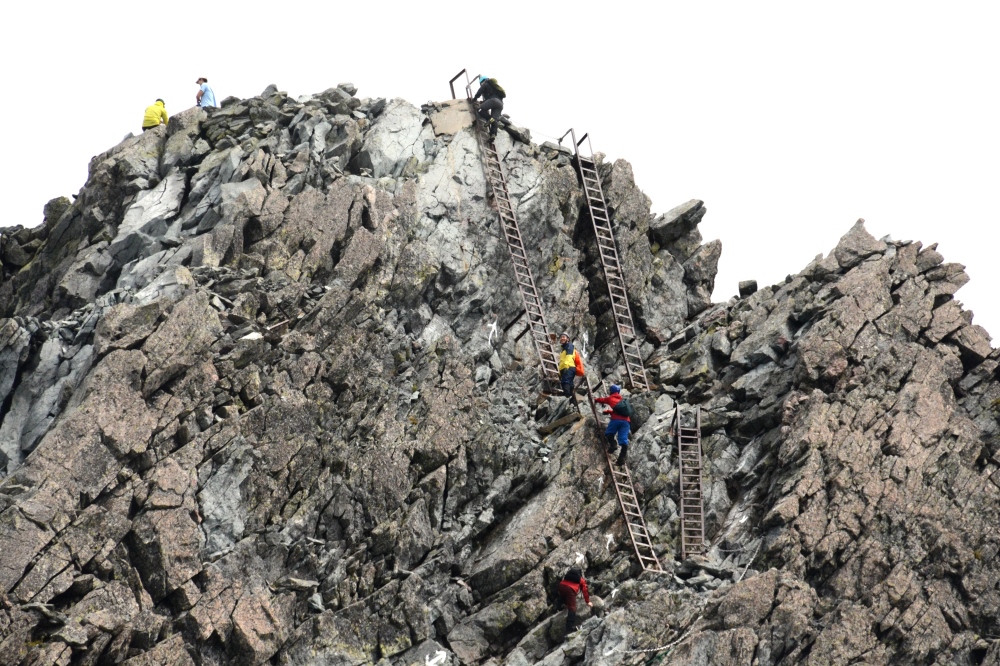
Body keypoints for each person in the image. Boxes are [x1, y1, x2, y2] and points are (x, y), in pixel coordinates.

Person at [595, 385, 630, 465]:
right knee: (624, 441)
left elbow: (602, 400)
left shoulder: (611, 398)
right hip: (626, 422)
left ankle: (613, 445)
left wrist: (595, 399)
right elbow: (619, 411)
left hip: (616, 420)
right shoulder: (622, 400)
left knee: (609, 433)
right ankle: (621, 459)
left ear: (611, 391)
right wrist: (609, 412)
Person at [557, 568, 592, 633]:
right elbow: (585, 590)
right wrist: (588, 601)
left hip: (561, 585)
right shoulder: (581, 580)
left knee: (563, 596)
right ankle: (569, 628)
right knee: (572, 608)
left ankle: (557, 607)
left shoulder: (568, 576)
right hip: (570, 589)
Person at [557, 333, 578, 402]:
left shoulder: (569, 346)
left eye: (564, 337)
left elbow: (569, 356)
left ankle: (566, 399)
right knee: (570, 383)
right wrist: (560, 371)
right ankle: (572, 400)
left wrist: (566, 367)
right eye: (561, 337)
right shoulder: (563, 349)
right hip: (566, 368)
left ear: (568, 339)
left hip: (569, 367)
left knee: (565, 382)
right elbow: (562, 360)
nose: (562, 338)